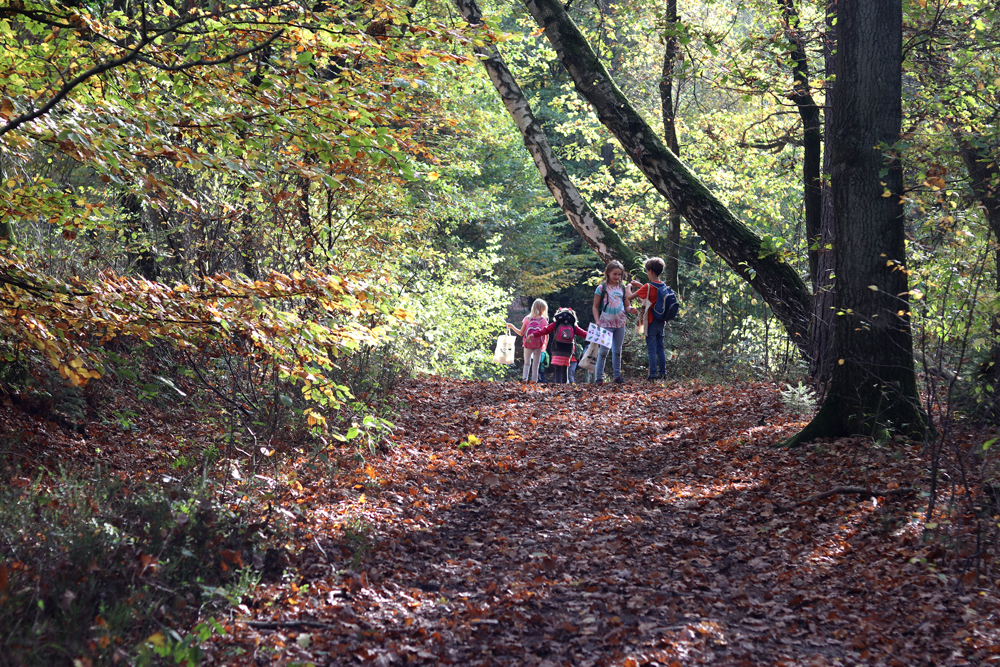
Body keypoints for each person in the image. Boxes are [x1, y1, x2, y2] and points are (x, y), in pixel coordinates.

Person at [592, 260, 637, 385]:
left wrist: (631, 310)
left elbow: (627, 306)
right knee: (603, 351)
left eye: (619, 274)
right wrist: (597, 321)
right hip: (606, 323)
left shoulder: (622, 288)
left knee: (617, 351)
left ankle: (617, 377)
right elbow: (595, 306)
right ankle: (599, 377)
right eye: (614, 274)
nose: (617, 277)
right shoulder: (602, 288)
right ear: (608, 273)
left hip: (620, 323)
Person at [630, 257, 673, 380]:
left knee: (651, 349)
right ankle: (663, 374)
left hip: (650, 321)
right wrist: (640, 285)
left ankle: (653, 374)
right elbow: (651, 291)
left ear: (650, 271)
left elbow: (629, 297)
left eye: (647, 271)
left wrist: (629, 287)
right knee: (660, 348)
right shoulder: (662, 285)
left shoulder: (648, 286)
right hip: (661, 321)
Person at [529, 307, 588, 384]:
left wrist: (534, 334)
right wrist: (596, 337)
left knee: (557, 369)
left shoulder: (556, 324)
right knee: (565, 369)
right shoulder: (573, 326)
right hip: (567, 350)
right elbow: (584, 333)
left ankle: (558, 387)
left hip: (557, 349)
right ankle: (564, 387)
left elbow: (545, 330)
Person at [507, 299, 549, 382]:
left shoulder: (527, 319)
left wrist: (512, 326)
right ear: (543, 309)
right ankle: (534, 381)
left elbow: (520, 333)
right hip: (538, 345)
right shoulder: (543, 321)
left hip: (527, 344)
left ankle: (525, 379)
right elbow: (546, 334)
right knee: (536, 365)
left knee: (526, 363)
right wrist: (545, 344)